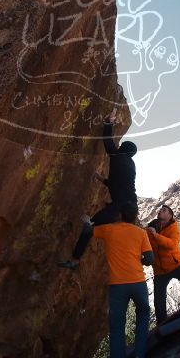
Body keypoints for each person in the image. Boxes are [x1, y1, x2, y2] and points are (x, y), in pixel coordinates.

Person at [62, 109, 138, 268]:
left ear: (124, 149)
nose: (119, 145)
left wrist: (108, 121)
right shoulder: (130, 164)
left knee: (89, 227)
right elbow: (119, 185)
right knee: (117, 235)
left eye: (122, 145)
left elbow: (108, 141)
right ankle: (76, 260)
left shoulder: (119, 157)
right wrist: (100, 178)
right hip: (128, 207)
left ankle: (75, 261)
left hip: (121, 206)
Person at [90, 202, 153, 358]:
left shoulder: (109, 230)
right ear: (134, 217)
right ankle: (140, 356)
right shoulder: (140, 233)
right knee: (143, 315)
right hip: (138, 283)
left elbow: (89, 231)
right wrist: (137, 260)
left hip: (117, 285)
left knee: (116, 328)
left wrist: (87, 221)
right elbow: (149, 259)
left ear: (119, 215)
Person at [146, 205, 180, 322]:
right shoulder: (150, 228)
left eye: (164, 210)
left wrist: (156, 235)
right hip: (159, 270)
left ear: (170, 216)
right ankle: (162, 324)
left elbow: (172, 244)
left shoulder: (174, 228)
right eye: (160, 210)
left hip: (175, 265)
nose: (160, 211)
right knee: (159, 301)